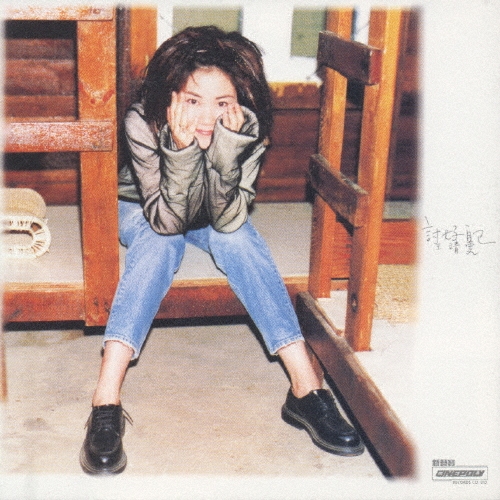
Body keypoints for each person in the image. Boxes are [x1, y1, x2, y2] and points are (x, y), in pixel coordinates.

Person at [80, 25, 364, 475]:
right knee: (160, 242)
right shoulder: (143, 119)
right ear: (171, 96)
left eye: (222, 102)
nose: (207, 117)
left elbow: (229, 220)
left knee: (240, 239)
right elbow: (166, 219)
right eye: (193, 101)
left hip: (213, 209)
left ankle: (306, 388)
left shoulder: (246, 126)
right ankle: (105, 400)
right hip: (143, 207)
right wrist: (180, 151)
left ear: (239, 100)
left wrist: (227, 151)